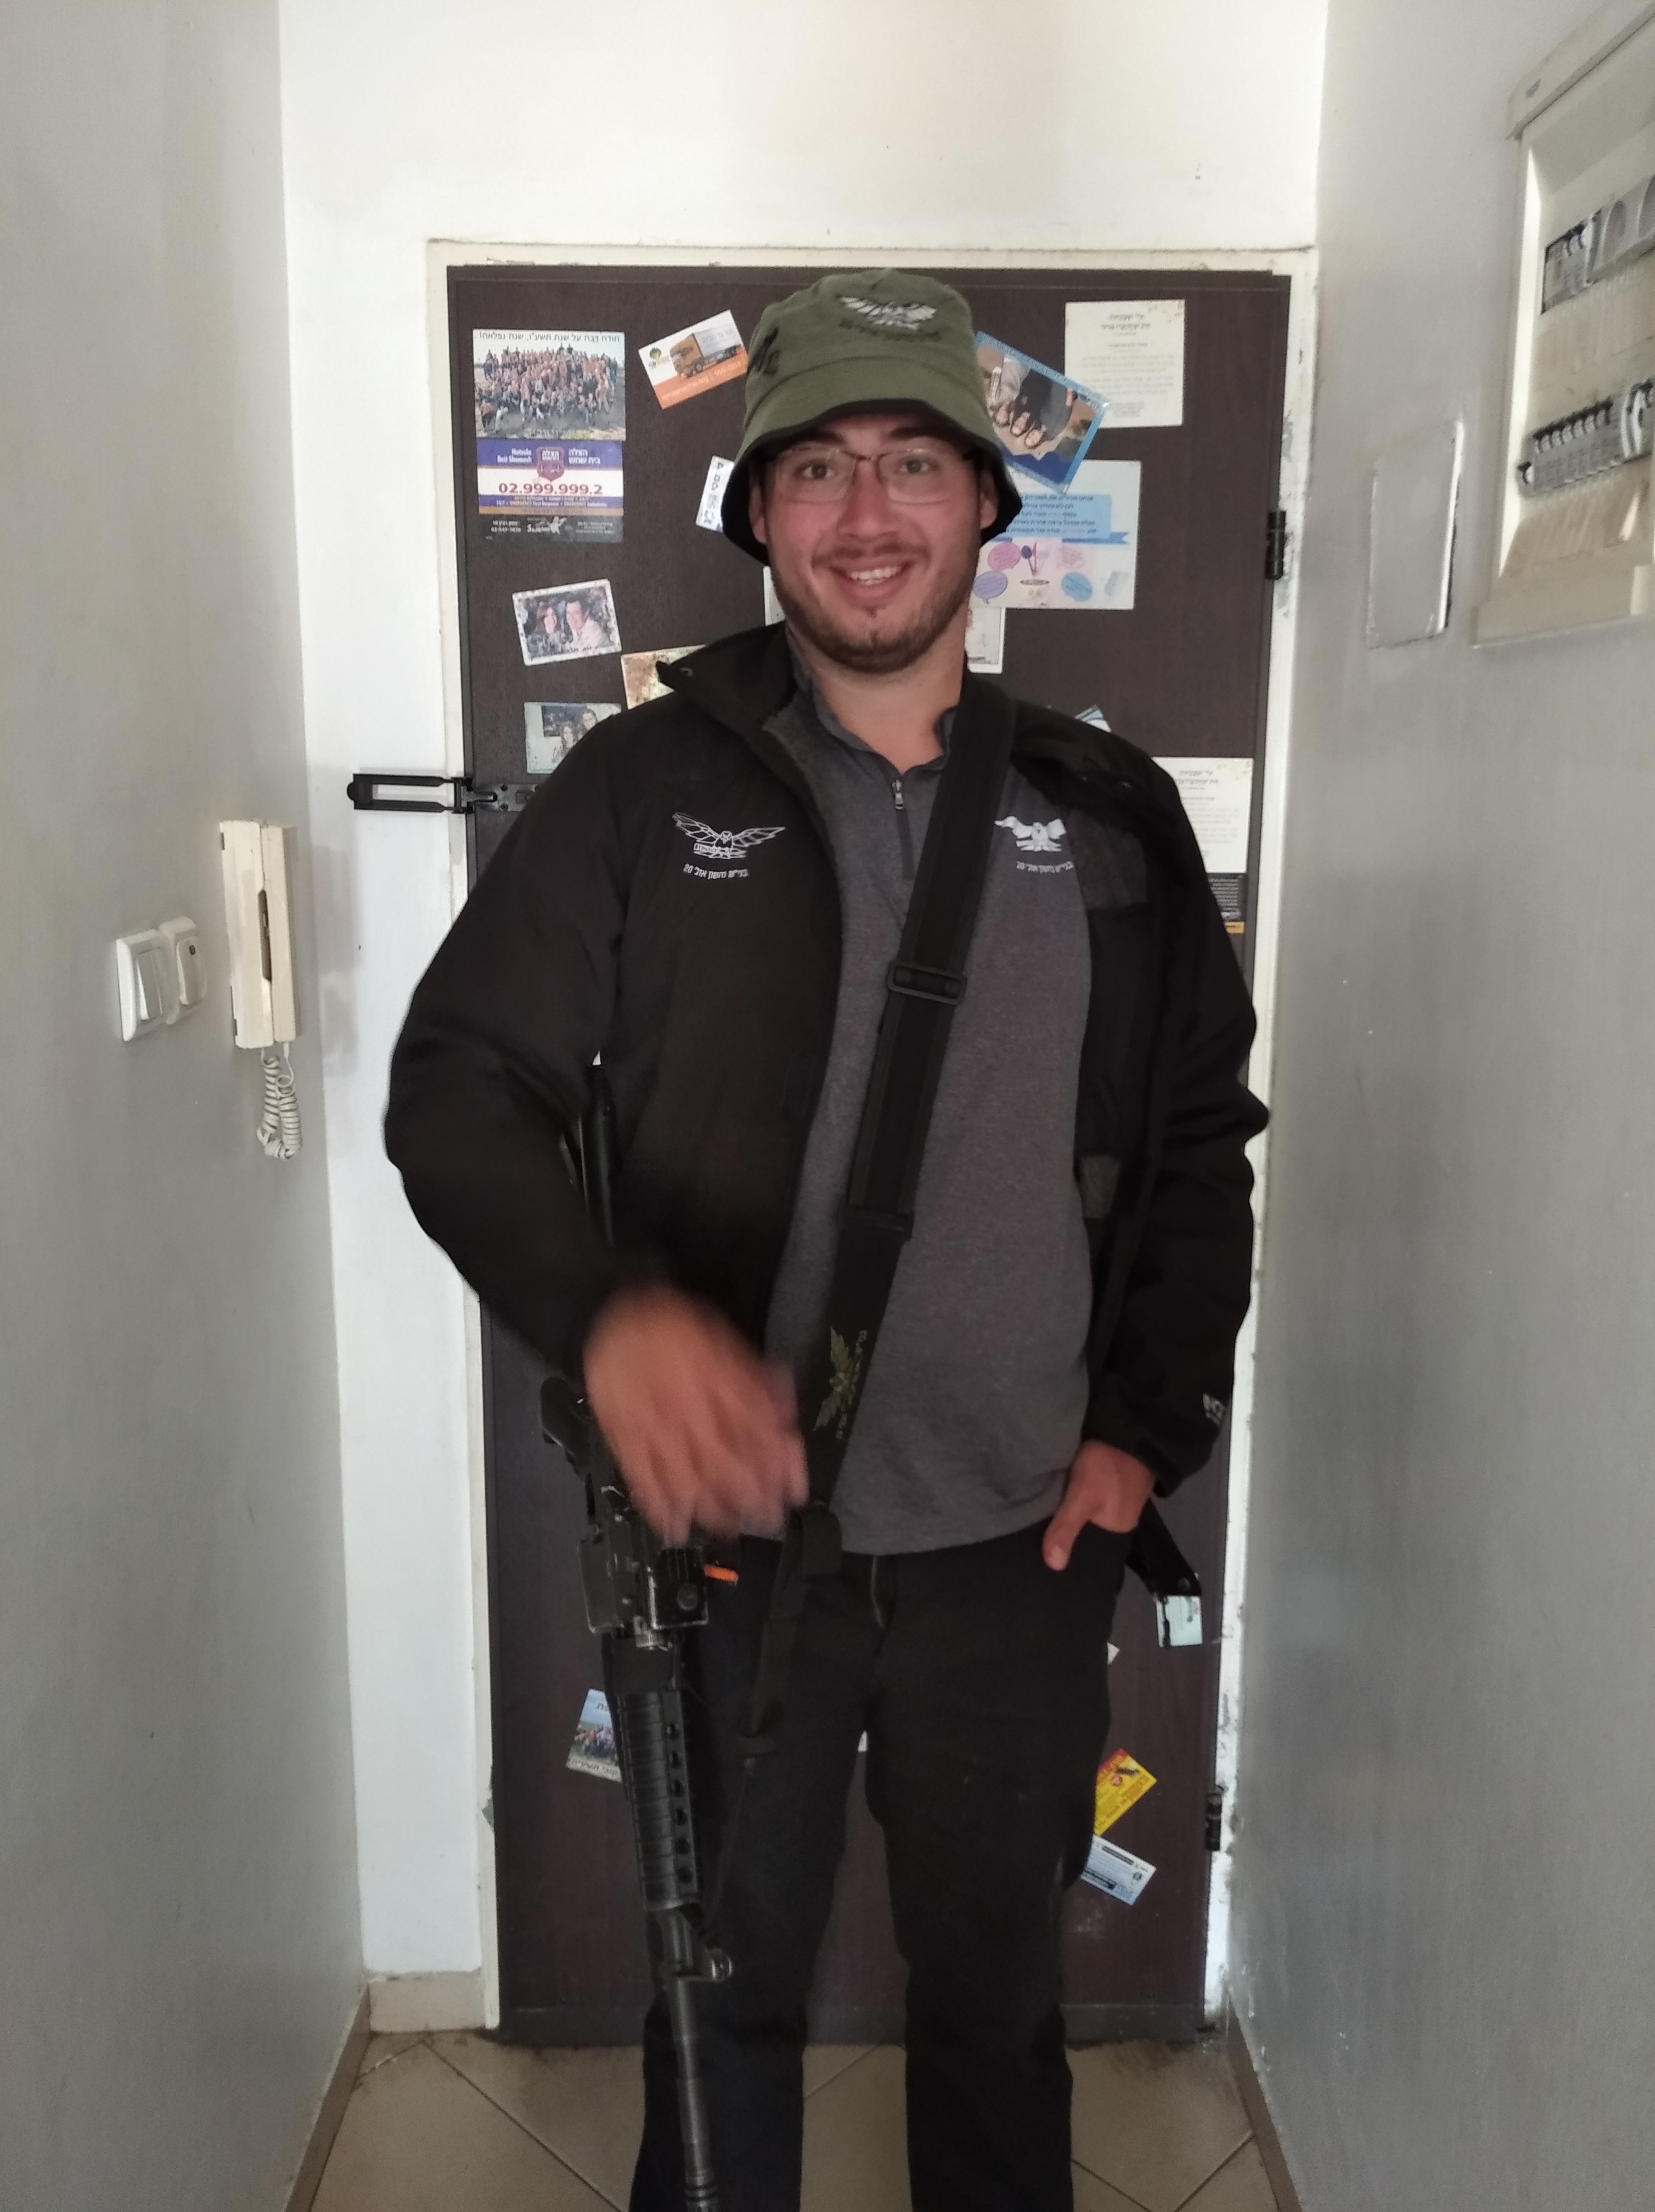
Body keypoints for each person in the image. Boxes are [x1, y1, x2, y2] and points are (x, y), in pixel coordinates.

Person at [385, 267, 1265, 2212]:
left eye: (915, 464)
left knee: (996, 2010)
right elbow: (458, 1084)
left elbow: (1202, 1143)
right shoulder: (641, 789)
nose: (868, 515)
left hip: (1023, 1535)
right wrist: (610, 1322)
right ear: (759, 513)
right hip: (728, 1552)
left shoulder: (1108, 810)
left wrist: (1145, 1431)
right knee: (720, 2007)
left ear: (986, 503)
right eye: (818, 469)